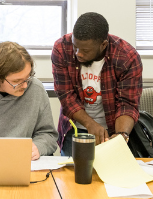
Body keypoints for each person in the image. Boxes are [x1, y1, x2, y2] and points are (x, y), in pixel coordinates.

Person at [52, 12, 143, 156]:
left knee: (111, 174)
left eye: (85, 50)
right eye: (75, 47)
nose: (78, 53)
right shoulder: (62, 48)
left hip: (112, 129)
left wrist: (120, 135)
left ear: (103, 44)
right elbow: (66, 96)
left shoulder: (127, 56)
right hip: (74, 130)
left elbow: (127, 103)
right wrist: (90, 124)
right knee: (73, 175)